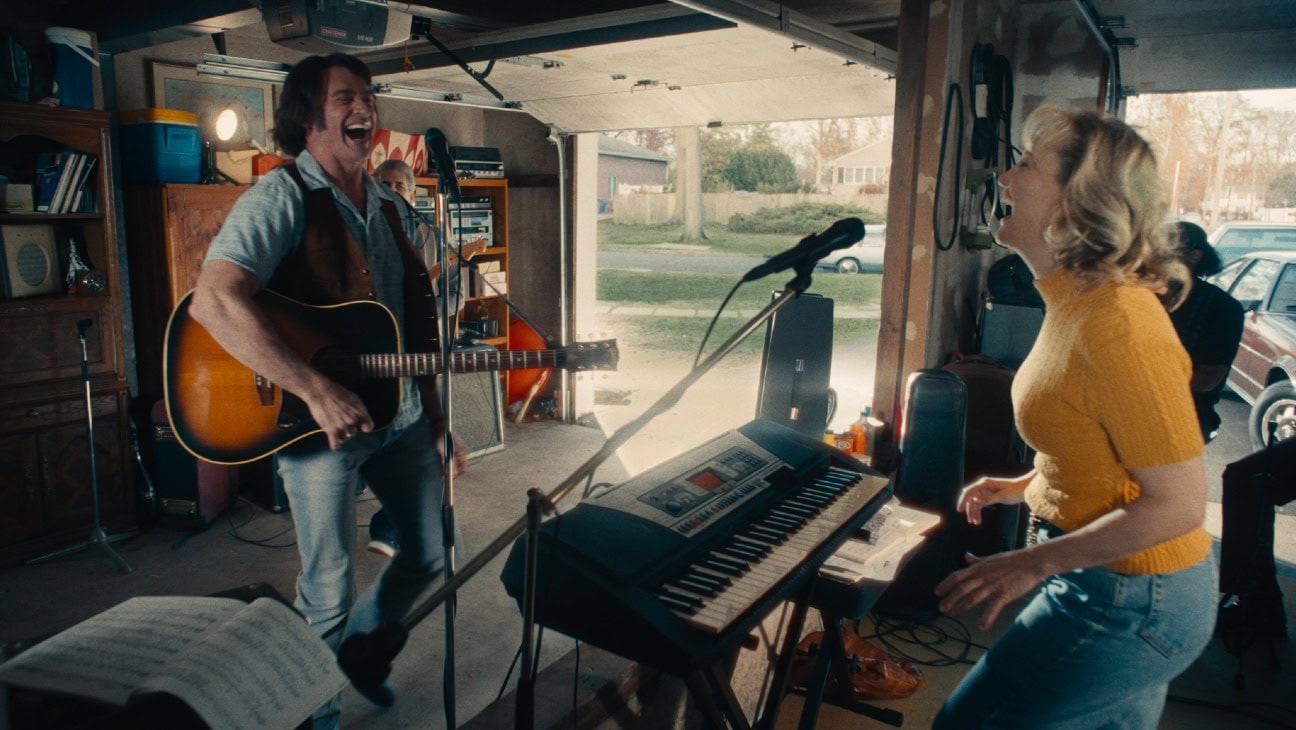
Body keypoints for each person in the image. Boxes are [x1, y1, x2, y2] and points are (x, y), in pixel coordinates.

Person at [188, 52, 465, 728]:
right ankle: (320, 718)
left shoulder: (390, 207)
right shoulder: (281, 197)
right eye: (345, 97)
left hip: (399, 416)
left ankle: (356, 657)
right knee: (328, 586)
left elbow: (414, 327)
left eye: (367, 95)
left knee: (428, 553)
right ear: (308, 116)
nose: (364, 107)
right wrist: (312, 387)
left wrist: (435, 420)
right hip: (320, 429)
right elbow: (213, 302)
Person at [933, 106, 1217, 729]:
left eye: (1027, 164)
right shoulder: (1076, 303)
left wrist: (1032, 562)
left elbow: (1177, 505)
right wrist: (1027, 485)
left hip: (1133, 596)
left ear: (1078, 202)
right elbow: (1098, 444)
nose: (1005, 177)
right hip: (1111, 580)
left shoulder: (1119, 324)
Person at [366, 158, 468, 558]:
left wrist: (427, 307)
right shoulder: (364, 232)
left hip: (421, 350)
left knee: (430, 431)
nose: (392, 190)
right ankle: (398, 522)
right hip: (375, 349)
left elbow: (456, 293)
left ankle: (397, 527)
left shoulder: (431, 236)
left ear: (413, 192)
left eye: (399, 185)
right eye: (384, 183)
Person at [1166, 221, 1244, 442]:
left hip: (1186, 416)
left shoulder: (1222, 307)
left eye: (1166, 249)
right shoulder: (1138, 296)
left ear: (1195, 256)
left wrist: (1142, 381)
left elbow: (1208, 378)